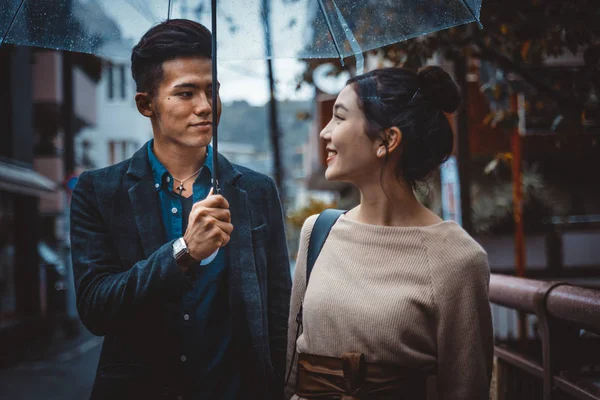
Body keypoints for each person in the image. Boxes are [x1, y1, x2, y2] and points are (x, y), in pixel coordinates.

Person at [70, 19, 291, 400]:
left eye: (211, 90)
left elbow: (278, 314)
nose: (205, 107)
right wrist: (183, 252)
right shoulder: (99, 191)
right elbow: (96, 308)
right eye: (185, 93)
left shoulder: (255, 191)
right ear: (146, 104)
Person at [285, 66, 493, 400]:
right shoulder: (319, 231)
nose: (325, 132)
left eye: (339, 118)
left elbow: (466, 389)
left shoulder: (458, 258)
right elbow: (292, 371)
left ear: (387, 140)